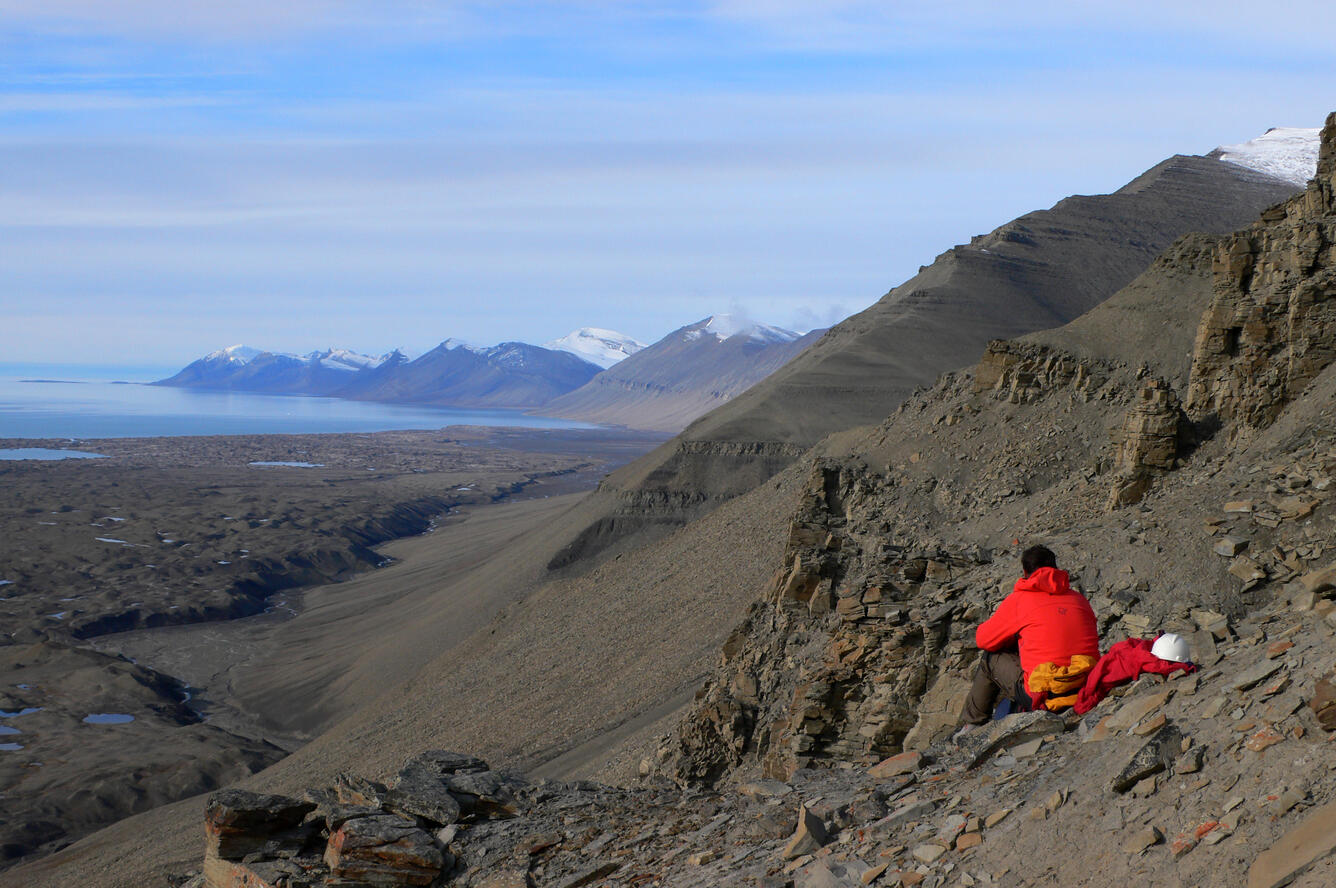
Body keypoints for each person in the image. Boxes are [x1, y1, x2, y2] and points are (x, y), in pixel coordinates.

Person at [956, 545, 1099, 730]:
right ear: (1056, 568)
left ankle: (973, 725)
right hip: (1084, 684)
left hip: (1047, 693)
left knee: (990, 659)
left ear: (1025, 572)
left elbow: (983, 640)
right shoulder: (1079, 599)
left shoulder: (1021, 599)